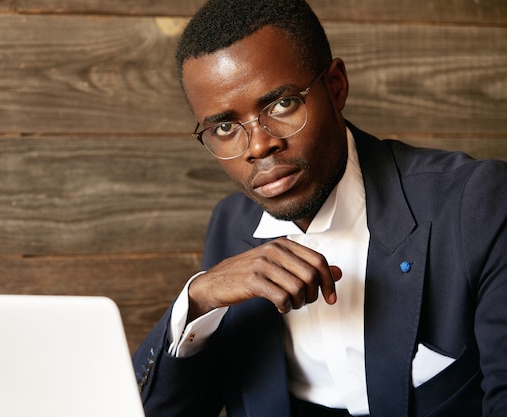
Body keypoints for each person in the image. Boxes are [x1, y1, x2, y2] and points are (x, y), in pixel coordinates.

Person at [132, 0, 507, 416]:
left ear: (336, 86)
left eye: (281, 105)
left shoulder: (476, 202)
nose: (258, 146)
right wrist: (198, 299)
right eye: (224, 127)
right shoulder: (229, 226)